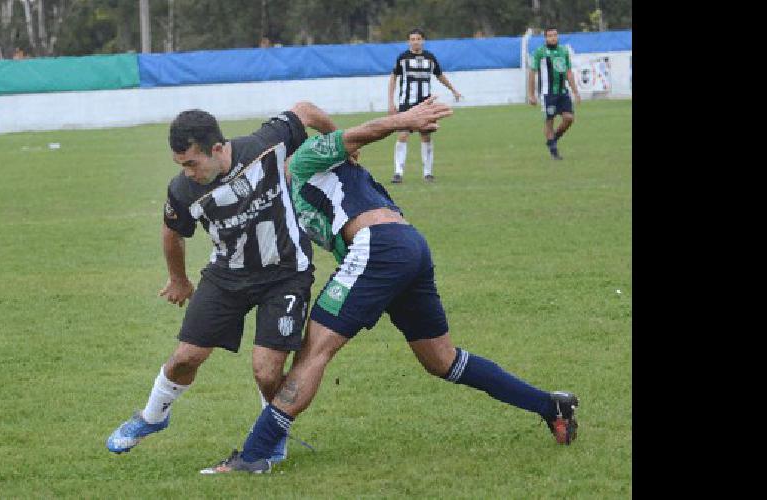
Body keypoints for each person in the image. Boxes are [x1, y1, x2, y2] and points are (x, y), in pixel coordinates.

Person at [199, 97, 579, 474]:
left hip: (377, 247)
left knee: (313, 352)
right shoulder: (291, 196)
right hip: (406, 247)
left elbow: (351, 130)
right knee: (441, 360)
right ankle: (551, 406)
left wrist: (404, 119)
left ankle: (254, 455)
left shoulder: (304, 159)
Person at [105, 102, 338, 463]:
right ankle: (153, 417)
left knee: (267, 369)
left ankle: (271, 434)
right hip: (227, 275)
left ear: (217, 149)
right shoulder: (183, 190)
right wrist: (178, 279)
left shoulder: (266, 144)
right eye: (180, 165)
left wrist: (335, 146)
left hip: (286, 274)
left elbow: (305, 111)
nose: (187, 173)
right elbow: (172, 232)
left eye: (191, 163)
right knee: (186, 357)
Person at [388, 29, 462, 184]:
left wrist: (453, 89)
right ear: (409, 41)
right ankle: (398, 172)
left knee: (426, 135)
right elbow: (393, 78)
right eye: (412, 39)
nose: (415, 41)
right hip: (406, 103)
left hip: (425, 103)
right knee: (403, 135)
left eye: (418, 38)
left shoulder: (430, 58)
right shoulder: (402, 58)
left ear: (423, 40)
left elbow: (439, 75)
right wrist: (390, 101)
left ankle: (428, 173)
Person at [527, 28, 580, 160]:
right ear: (545, 38)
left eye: (555, 35)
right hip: (547, 94)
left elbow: (568, 72)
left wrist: (575, 91)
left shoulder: (563, 51)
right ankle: (554, 152)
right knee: (549, 121)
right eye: (550, 36)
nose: (553, 38)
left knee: (569, 118)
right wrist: (531, 94)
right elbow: (532, 73)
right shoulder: (540, 52)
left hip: (562, 92)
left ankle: (552, 139)